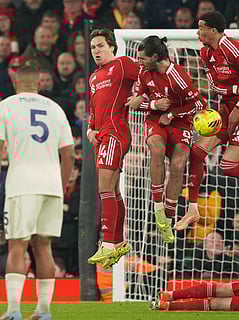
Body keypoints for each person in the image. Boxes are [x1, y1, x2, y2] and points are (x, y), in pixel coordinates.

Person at [175, 11, 239, 231]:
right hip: (226, 108)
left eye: (201, 27)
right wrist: (235, 93)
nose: (197, 31)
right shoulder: (205, 53)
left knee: (227, 165)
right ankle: (192, 208)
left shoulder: (234, 49)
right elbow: (215, 87)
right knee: (197, 153)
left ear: (213, 30)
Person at [0, 66, 74, 320]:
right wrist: (62, 187)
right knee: (44, 248)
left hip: (22, 184)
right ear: (39, 83)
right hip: (51, 186)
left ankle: (12, 311)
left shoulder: (6, 107)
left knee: (17, 246)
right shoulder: (55, 109)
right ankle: (43, 311)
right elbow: (68, 154)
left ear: (15, 81)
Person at [126, 35, 207, 243]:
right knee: (156, 149)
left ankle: (169, 216)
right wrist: (154, 106)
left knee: (179, 164)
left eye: (142, 58)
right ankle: (158, 207)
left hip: (180, 122)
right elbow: (135, 102)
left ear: (155, 57)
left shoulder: (178, 77)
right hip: (155, 120)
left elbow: (200, 105)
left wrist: (171, 114)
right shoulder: (145, 73)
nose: (139, 62)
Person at [86, 28, 139, 269]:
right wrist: (90, 129)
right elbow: (93, 108)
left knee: (104, 187)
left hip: (116, 134)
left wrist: (143, 98)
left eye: (100, 46)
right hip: (103, 135)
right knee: (113, 190)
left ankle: (107, 243)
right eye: (93, 47)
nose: (96, 50)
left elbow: (147, 74)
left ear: (112, 47)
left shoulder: (123, 65)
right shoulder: (94, 77)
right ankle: (118, 242)